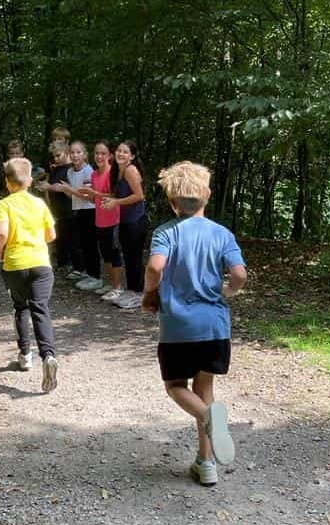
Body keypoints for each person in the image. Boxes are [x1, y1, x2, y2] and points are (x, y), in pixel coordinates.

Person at [142, 161, 247, 486]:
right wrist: (228, 291)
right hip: (215, 327)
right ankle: (206, 463)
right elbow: (240, 274)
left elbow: (156, 267)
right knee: (205, 389)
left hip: (178, 329)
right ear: (208, 196)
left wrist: (150, 292)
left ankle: (207, 420)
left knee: (176, 387)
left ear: (173, 202)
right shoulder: (222, 233)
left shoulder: (166, 232)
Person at [0, 157, 59, 393]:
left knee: (21, 307)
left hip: (15, 265)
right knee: (40, 309)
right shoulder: (39, 204)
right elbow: (51, 235)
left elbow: (2, 231)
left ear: (7, 183)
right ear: (30, 181)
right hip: (41, 264)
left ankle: (25, 355)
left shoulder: (4, 205)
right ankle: (48, 356)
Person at [101, 140, 148, 310]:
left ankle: (139, 294)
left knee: (134, 257)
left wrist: (116, 202)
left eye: (125, 152)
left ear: (132, 156)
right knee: (128, 256)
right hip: (125, 221)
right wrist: (97, 195)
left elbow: (139, 196)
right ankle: (132, 291)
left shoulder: (130, 170)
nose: (121, 154)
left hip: (137, 220)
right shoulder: (117, 170)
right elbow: (115, 194)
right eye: (119, 150)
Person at [77, 139, 124, 300]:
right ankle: (111, 284)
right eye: (97, 153)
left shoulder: (113, 173)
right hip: (100, 219)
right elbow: (95, 200)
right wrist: (88, 195)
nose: (99, 156)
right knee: (105, 253)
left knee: (113, 253)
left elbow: (114, 196)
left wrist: (94, 194)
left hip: (113, 219)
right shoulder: (94, 174)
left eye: (103, 153)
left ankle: (118, 287)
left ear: (110, 155)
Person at [58, 141, 101, 291]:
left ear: (85, 155)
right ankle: (88, 274)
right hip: (78, 211)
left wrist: (69, 189)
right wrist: (66, 191)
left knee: (91, 245)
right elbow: (75, 196)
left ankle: (96, 277)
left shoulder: (88, 171)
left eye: (79, 152)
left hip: (90, 210)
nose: (75, 155)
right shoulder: (70, 172)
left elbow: (87, 197)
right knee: (83, 244)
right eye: (72, 153)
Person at [37, 142, 74, 273]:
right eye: (54, 156)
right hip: (57, 209)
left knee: (70, 238)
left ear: (67, 153)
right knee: (59, 237)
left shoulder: (71, 169)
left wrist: (49, 187)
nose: (56, 159)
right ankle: (62, 262)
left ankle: (71, 264)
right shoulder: (56, 169)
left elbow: (68, 189)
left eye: (59, 155)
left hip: (69, 210)